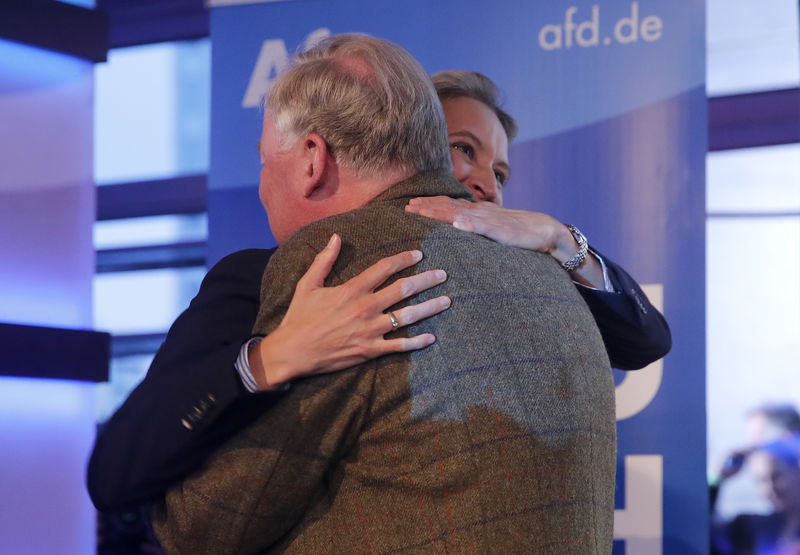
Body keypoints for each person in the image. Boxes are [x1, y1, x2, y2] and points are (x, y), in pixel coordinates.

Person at [87, 65, 669, 514]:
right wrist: (271, 357)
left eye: (501, 172)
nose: (484, 183)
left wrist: (558, 236)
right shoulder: (272, 275)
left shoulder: (526, 282)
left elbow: (645, 340)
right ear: (406, 146)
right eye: (463, 149)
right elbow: (119, 471)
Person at [713, 436, 800, 554]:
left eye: (776, 476)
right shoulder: (749, 528)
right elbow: (702, 532)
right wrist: (717, 478)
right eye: (761, 480)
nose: (769, 489)